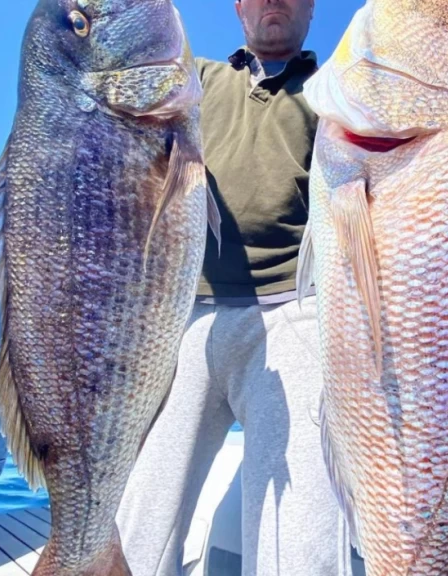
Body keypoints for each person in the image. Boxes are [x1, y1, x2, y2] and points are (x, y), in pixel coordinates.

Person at [115, 0, 354, 575]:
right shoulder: (194, 78)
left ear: (312, 9)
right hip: (184, 317)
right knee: (139, 515)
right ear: (239, 8)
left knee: (301, 528)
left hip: (295, 311)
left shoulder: (336, 87)